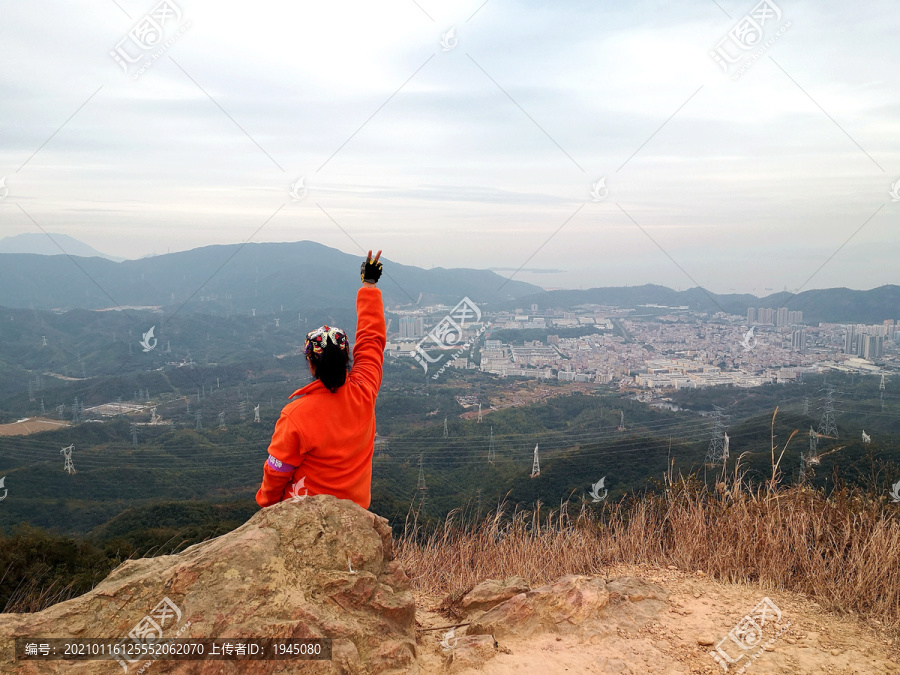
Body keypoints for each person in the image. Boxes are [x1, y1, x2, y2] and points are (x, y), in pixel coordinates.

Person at [256, 250, 385, 510]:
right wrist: (369, 286)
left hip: (305, 513)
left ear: (310, 362)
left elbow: (277, 470)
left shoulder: (296, 416)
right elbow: (371, 340)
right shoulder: (364, 390)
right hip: (356, 510)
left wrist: (267, 506)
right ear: (347, 357)